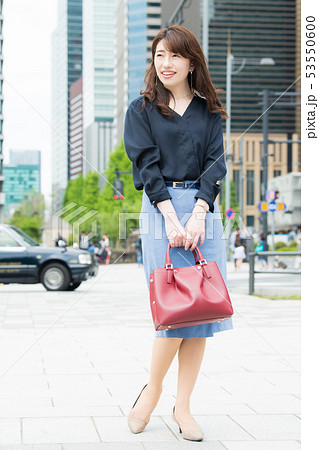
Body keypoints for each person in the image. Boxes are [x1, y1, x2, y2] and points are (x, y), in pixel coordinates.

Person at [123, 25, 233, 441]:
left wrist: (200, 212)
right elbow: (146, 165)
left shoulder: (209, 110)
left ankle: (183, 407)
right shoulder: (142, 109)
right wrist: (171, 217)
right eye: (159, 55)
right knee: (172, 309)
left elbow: (215, 165)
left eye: (174, 56)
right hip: (159, 209)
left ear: (191, 62)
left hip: (204, 212)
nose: (165, 64)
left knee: (201, 311)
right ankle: (151, 395)